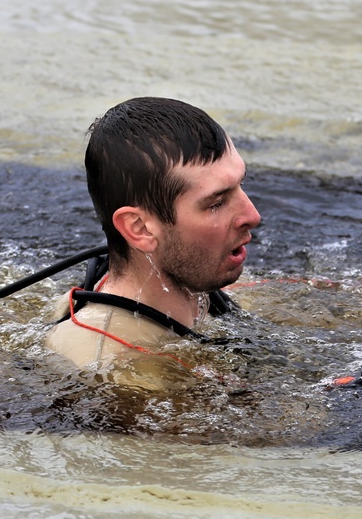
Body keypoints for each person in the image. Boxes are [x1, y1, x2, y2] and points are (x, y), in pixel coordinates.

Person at [45, 97, 262, 378]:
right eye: (216, 203)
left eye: (240, 184)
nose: (252, 215)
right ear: (140, 228)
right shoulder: (106, 367)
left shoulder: (201, 284)